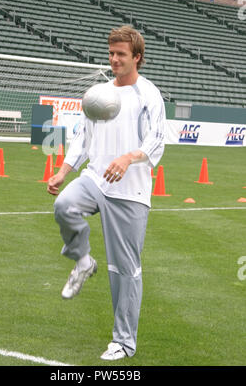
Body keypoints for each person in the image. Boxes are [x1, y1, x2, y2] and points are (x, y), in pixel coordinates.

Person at [47, 25, 165, 361]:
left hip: (130, 191)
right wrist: (62, 172)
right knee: (64, 205)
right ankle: (82, 261)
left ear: (137, 57)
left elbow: (156, 141)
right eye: (111, 53)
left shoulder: (149, 95)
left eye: (121, 55)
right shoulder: (98, 93)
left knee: (124, 270)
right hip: (96, 179)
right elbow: (82, 139)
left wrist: (129, 158)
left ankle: (124, 342)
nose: (114, 59)